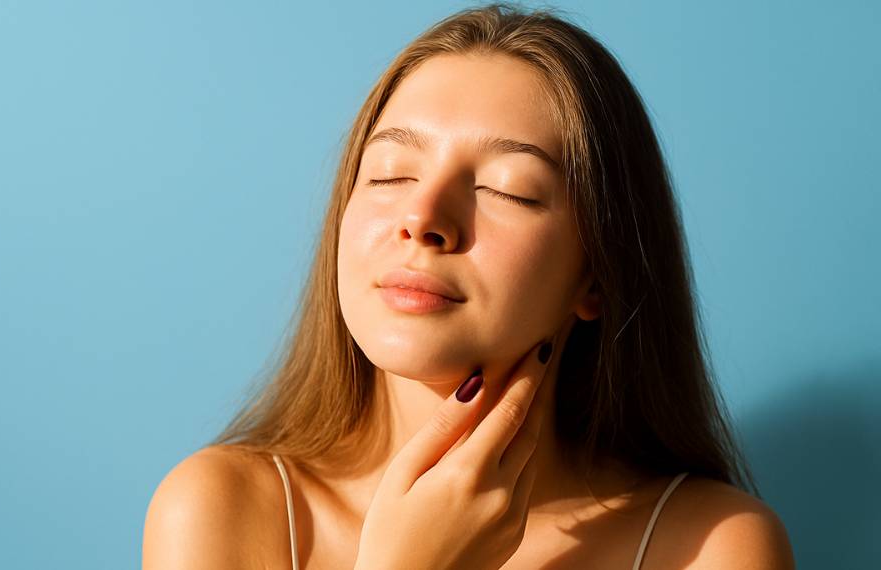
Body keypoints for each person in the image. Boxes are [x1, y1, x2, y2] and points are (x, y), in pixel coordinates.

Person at [142, 4, 795, 569]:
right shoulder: (218, 508)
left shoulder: (714, 546)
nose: (423, 220)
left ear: (596, 274)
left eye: (505, 188)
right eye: (391, 174)